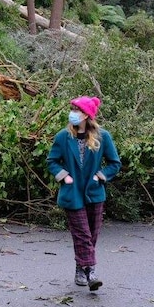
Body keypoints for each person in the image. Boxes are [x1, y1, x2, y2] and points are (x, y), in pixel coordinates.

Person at [47, 96, 121, 291]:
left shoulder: (103, 136)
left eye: (76, 110)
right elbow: (52, 161)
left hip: (94, 193)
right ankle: (92, 272)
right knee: (82, 234)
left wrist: (101, 176)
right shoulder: (63, 136)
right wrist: (63, 176)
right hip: (72, 194)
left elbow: (115, 163)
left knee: (91, 234)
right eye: (72, 109)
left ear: (87, 115)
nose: (72, 113)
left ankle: (81, 269)